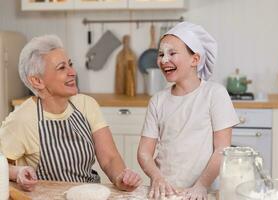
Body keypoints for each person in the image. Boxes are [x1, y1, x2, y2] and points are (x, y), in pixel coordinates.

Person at [0, 35, 141, 192]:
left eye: (70, 64)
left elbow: (109, 158)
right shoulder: (22, 119)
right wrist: (17, 172)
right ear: (37, 81)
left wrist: (120, 178)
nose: (73, 72)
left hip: (89, 193)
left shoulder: (86, 104)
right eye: (62, 68)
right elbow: (2, 167)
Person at [137, 22, 239, 200]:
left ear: (195, 59)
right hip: (165, 192)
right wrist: (157, 178)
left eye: (172, 53)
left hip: (202, 192)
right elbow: (144, 152)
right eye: (161, 54)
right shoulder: (158, 101)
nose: (164, 60)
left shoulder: (214, 94)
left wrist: (201, 186)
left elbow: (222, 148)